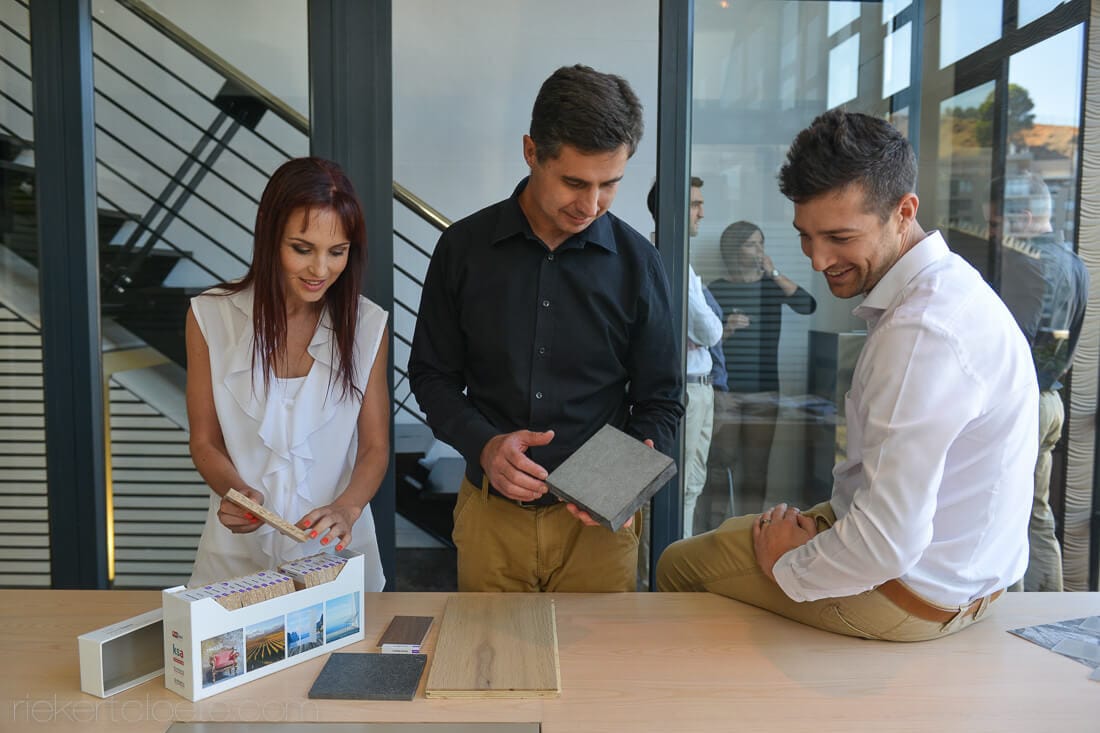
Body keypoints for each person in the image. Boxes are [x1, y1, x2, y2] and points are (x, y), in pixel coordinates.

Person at [657, 110, 1036, 642]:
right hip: (968, 579)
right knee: (736, 534)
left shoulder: (919, 335)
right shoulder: (956, 287)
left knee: (677, 565)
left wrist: (790, 565)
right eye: (806, 236)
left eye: (838, 236)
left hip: (911, 595)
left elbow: (887, 543)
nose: (818, 260)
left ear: (904, 212)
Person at [408, 64, 683, 593]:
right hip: (490, 517)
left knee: (598, 652)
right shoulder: (462, 249)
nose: (591, 205)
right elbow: (431, 376)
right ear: (531, 151)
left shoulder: (639, 263)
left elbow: (662, 401)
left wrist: (623, 478)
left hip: (599, 528)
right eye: (575, 182)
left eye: (610, 184)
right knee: (488, 650)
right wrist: (484, 445)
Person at [186, 157, 389, 591]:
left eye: (337, 252)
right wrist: (235, 492)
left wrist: (348, 508)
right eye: (302, 248)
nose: (320, 270)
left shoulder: (367, 324)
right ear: (269, 232)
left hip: (337, 556)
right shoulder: (210, 316)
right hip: (234, 557)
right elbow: (205, 440)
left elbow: (374, 447)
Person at [994, 172, 1088, 592]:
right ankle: (1051, 606)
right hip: (1051, 402)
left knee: (1005, 517)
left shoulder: (1028, 263)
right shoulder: (1075, 263)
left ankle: (1010, 612)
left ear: (1025, 218)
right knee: (1035, 513)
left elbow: (1014, 344)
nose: (994, 235)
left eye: (998, 224)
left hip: (1023, 404)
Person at [707, 221, 815, 514]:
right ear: (734, 249)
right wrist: (727, 329)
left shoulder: (770, 287)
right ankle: (718, 525)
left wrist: (774, 273)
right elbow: (703, 344)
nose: (759, 250)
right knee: (721, 465)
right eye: (751, 244)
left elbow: (808, 305)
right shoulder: (715, 289)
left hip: (765, 392)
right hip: (725, 393)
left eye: (761, 243)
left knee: (756, 467)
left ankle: (752, 527)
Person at [646, 177, 723, 537]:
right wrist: (705, 330)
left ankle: (674, 562)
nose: (702, 213)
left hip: (699, 387)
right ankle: (663, 567)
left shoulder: (681, 259)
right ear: (672, 209)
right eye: (695, 205)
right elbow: (710, 331)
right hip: (685, 389)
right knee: (671, 491)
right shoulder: (667, 257)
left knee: (691, 485)